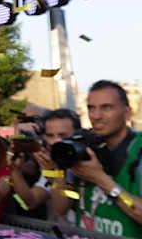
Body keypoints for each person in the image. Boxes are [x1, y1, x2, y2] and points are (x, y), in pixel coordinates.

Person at [52, 80, 142, 236]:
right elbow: (59, 209)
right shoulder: (82, 148)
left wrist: (100, 179)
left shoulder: (138, 151)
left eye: (106, 107)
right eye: (91, 108)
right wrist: (58, 167)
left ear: (127, 113)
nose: (96, 116)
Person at [9, 108, 79, 221]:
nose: (55, 142)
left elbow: (60, 210)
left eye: (63, 136)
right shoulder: (52, 165)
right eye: (50, 136)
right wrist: (14, 170)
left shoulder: (86, 163)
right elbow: (30, 201)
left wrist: (56, 175)